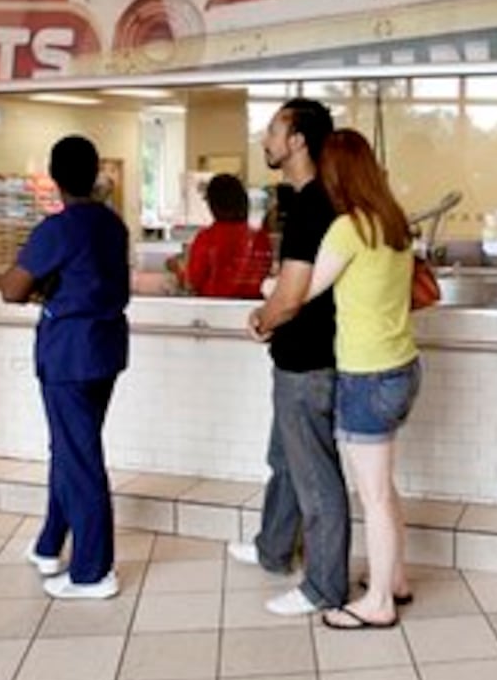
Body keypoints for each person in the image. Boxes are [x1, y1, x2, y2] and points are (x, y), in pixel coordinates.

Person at [232, 98, 348, 617]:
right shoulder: (313, 200)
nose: (265, 138)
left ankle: (324, 586)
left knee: (316, 479)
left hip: (307, 363)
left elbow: (292, 294)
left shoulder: (312, 206)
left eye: (274, 129)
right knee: (284, 460)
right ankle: (274, 549)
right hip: (298, 359)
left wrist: (262, 317)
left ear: (298, 139)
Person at [1, 136, 130, 600]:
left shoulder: (57, 229)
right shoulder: (113, 225)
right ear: (95, 172)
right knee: (70, 447)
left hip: (69, 353)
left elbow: (11, 290)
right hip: (106, 349)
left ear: (55, 176)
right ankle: (49, 544)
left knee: (79, 458)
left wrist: (43, 288)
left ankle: (94, 571)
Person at [302, 128, 421, 631]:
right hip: (403, 366)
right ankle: (395, 579)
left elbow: (304, 288)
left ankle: (377, 602)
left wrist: (267, 287)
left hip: (366, 374)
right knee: (383, 487)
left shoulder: (348, 229)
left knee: (371, 495)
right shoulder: (393, 223)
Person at [170, 173, 272, 298]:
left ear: (214, 204)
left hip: (214, 312)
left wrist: (176, 268)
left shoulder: (206, 238)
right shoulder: (261, 238)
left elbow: (191, 284)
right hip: (252, 311)